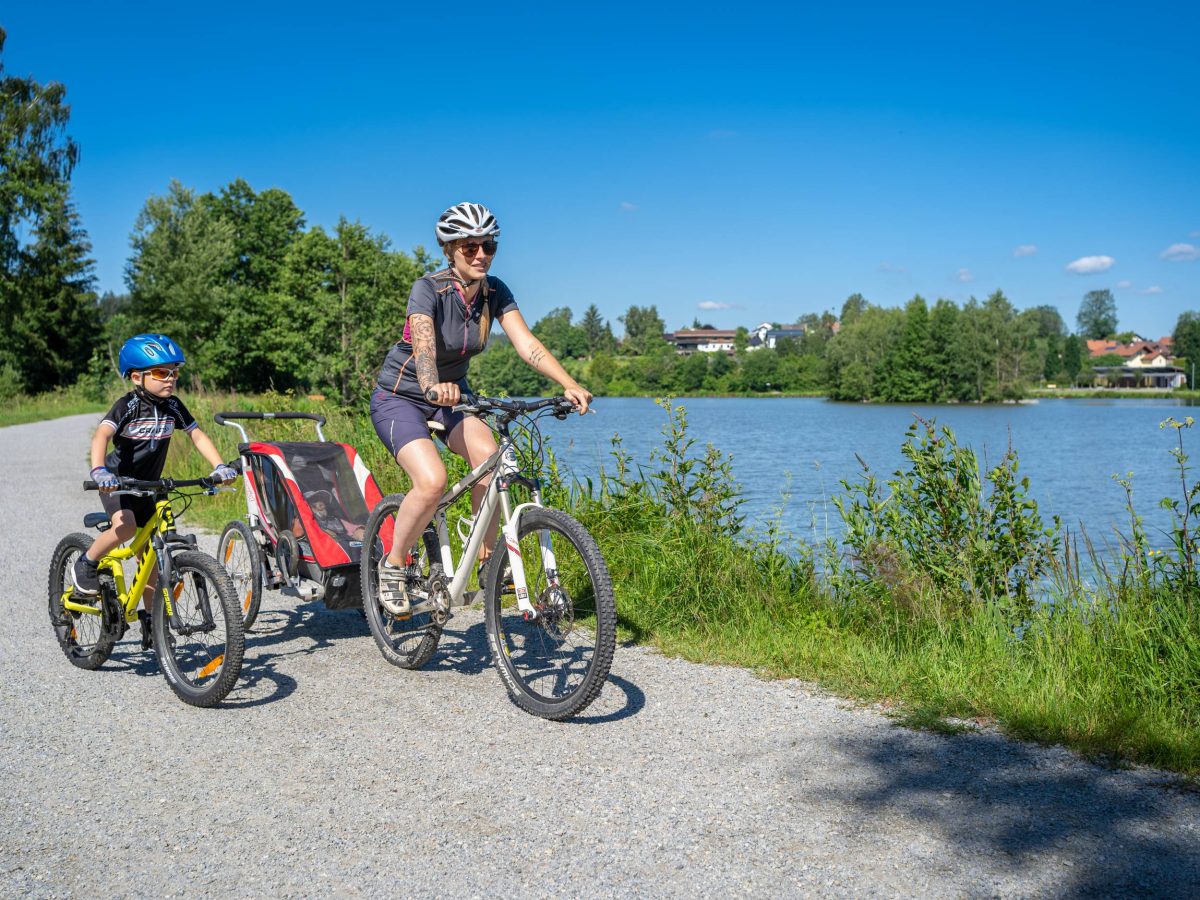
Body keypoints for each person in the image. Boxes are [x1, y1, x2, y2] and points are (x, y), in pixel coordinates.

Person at [369, 201, 591, 614]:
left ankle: (487, 563)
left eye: (487, 245)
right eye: (469, 246)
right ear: (450, 250)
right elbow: (423, 346)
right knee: (432, 481)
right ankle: (394, 565)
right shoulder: (428, 288)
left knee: (492, 460)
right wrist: (433, 386)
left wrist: (569, 383)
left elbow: (527, 344)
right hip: (401, 396)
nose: (480, 254)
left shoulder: (494, 291)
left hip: (453, 394)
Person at [72, 334, 238, 643]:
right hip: (117, 482)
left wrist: (218, 467)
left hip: (149, 487)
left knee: (150, 555)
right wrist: (99, 470)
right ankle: (87, 562)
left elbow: (197, 436)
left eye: (174, 372)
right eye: (162, 373)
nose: (171, 379)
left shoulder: (173, 406)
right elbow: (101, 436)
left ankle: (151, 620)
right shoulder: (128, 405)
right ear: (137, 376)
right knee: (125, 527)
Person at [294, 489, 366, 542]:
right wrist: (325, 534)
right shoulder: (303, 524)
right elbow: (297, 536)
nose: (319, 506)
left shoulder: (335, 520)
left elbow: (355, 527)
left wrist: (359, 530)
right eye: (313, 505)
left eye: (321, 503)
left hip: (350, 553)